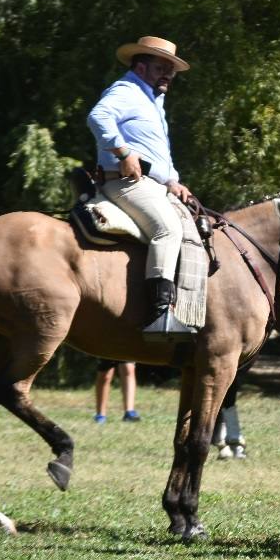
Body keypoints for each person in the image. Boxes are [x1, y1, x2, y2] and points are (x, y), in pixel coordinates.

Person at [87, 35, 196, 341]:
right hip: (125, 183)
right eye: (162, 67)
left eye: (171, 71)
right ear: (140, 65)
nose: (168, 75)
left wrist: (173, 180)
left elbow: (157, 152)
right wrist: (123, 152)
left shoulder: (153, 101)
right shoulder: (126, 90)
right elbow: (98, 117)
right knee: (168, 230)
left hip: (150, 184)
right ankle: (160, 315)